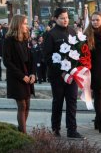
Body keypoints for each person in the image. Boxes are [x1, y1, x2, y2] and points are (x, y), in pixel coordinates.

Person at [43, 8, 83, 138]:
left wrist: (75, 68)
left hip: (72, 75)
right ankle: (56, 129)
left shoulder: (72, 31)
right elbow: (48, 57)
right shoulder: (50, 35)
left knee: (72, 102)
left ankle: (72, 130)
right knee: (58, 102)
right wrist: (61, 72)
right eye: (62, 18)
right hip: (57, 76)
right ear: (55, 19)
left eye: (66, 17)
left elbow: (77, 52)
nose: (65, 20)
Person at [3, 14, 36, 133]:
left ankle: (20, 129)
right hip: (16, 77)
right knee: (22, 105)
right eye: (25, 23)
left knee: (27, 105)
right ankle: (23, 134)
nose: (26, 25)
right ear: (18, 24)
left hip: (28, 75)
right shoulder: (8, 40)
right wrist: (22, 76)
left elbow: (32, 58)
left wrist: (32, 74)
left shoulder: (25, 38)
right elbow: (7, 61)